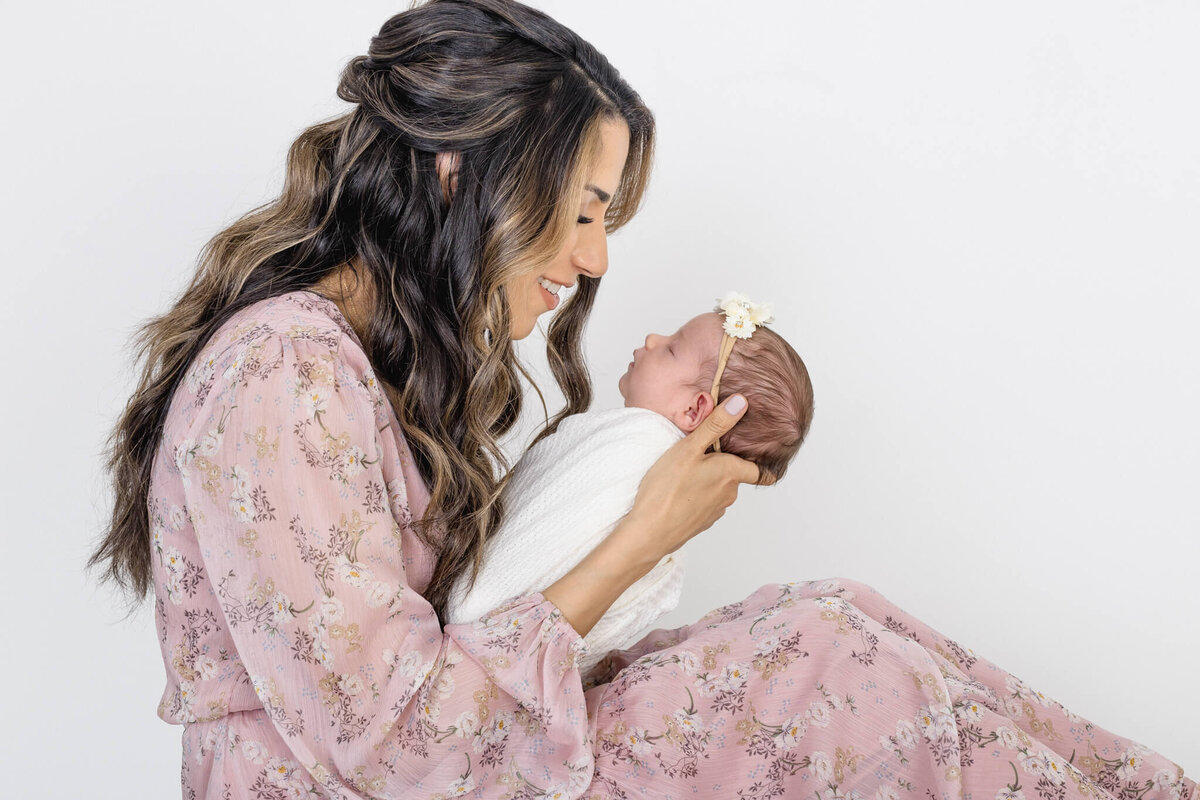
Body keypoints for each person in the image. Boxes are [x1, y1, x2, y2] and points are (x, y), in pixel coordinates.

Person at [86, 1, 1196, 798]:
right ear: (456, 175)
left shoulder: (353, 366)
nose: (597, 257)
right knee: (835, 669)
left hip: (452, 757)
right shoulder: (283, 374)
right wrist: (647, 535)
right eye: (580, 210)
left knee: (838, 614)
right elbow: (393, 747)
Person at [443, 295, 815, 679]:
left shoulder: (638, 444)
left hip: (481, 632)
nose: (653, 338)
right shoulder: (669, 500)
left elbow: (487, 595)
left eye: (672, 348)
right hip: (515, 663)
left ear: (694, 410)